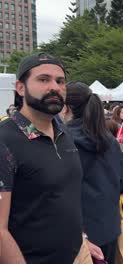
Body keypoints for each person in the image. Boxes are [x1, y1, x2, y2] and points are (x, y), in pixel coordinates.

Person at [0, 53, 85, 263]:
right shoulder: (5, 141)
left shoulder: (63, 133)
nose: (54, 87)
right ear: (21, 88)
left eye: (60, 81)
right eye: (43, 79)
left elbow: (63, 198)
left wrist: (82, 241)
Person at [63, 82, 123, 264]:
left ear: (67, 107)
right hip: (110, 226)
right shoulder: (110, 139)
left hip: (79, 232)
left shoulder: (63, 140)